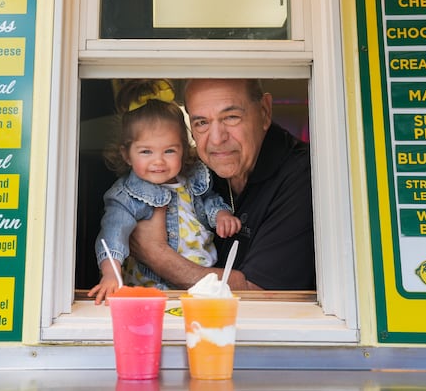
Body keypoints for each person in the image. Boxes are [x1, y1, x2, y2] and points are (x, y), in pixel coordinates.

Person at [129, 79, 315, 291]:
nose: (216, 139)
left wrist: (156, 255)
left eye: (231, 117)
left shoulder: (304, 174)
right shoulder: (194, 173)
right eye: (201, 123)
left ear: (264, 111)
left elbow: (257, 292)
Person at [88, 79, 241, 304]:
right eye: (146, 151)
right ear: (126, 154)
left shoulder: (192, 180)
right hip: (151, 292)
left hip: (200, 287)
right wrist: (111, 273)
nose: (158, 161)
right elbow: (113, 234)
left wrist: (221, 215)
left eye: (169, 150)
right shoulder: (127, 195)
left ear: (183, 149)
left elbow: (209, 200)